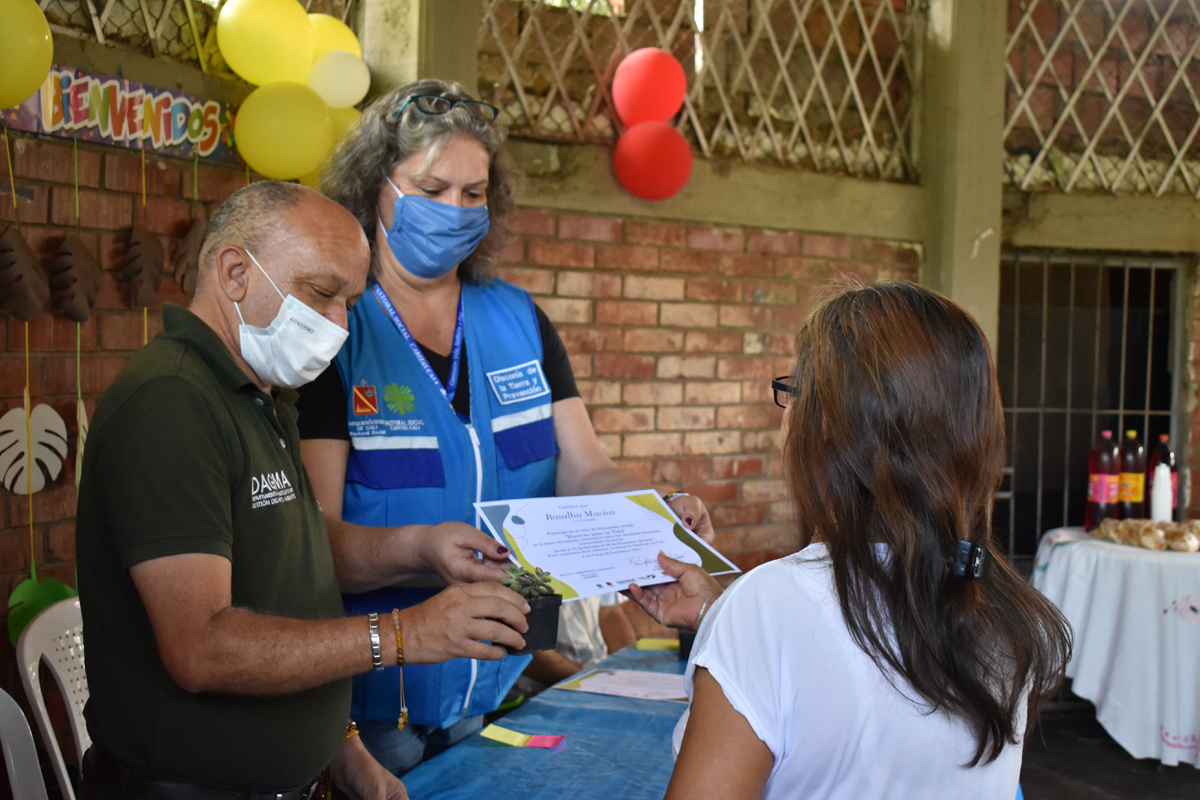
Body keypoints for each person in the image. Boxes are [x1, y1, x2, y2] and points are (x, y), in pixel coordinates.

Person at [296, 79, 713, 774]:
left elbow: (585, 468)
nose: (454, 210)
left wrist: (649, 509)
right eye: (431, 189)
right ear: (376, 188)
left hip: (499, 692)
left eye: (474, 193)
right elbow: (312, 544)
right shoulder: (337, 331)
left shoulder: (519, 321)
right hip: (369, 723)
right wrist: (421, 548)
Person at [75, 181, 532, 800]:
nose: (339, 325)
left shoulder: (266, 397)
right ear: (235, 272)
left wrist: (341, 746)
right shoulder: (171, 403)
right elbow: (201, 646)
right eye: (321, 293)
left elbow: (289, 574)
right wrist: (403, 635)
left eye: (350, 301)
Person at [630, 282, 1072, 800]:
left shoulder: (768, 609)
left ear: (825, 428)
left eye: (794, 391)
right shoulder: (1000, 605)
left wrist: (737, 624)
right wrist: (720, 615)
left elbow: (813, 652)